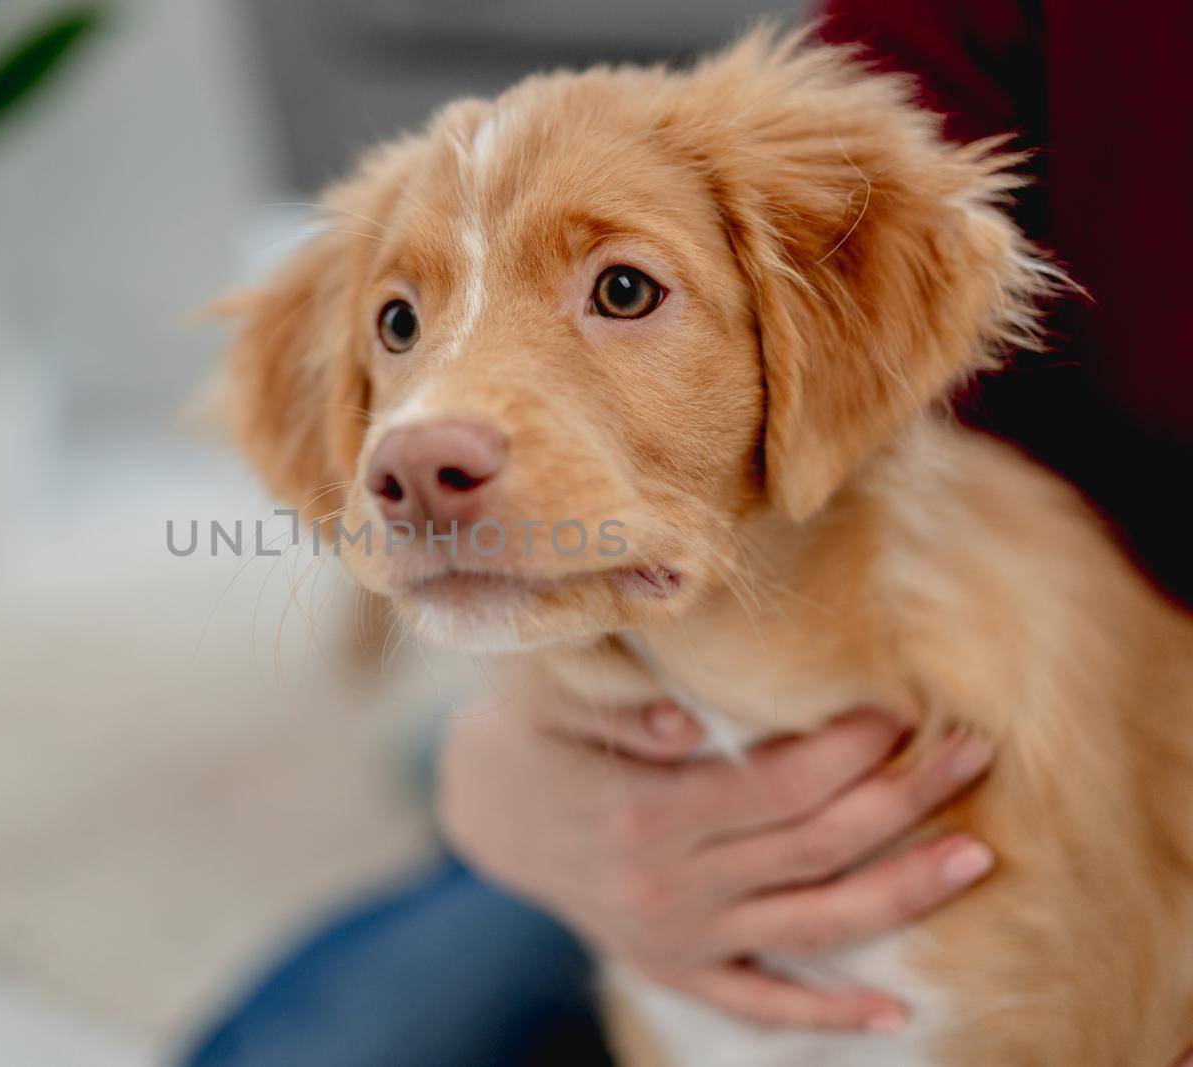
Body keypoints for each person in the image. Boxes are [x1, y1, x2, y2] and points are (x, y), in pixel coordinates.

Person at [186, 1, 1193, 1062]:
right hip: (643, 724)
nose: (423, 432)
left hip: (1011, 656)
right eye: (399, 322)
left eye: (622, 288)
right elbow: (867, 144)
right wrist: (499, 787)